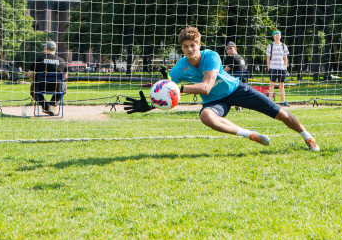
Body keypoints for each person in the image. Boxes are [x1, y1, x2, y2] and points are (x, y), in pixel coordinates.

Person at [123, 27, 319, 151]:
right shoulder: (179, 67)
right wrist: (151, 104)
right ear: (181, 48)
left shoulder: (211, 56)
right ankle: (250, 134)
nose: (189, 49)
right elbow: (168, 94)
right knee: (206, 117)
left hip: (236, 90)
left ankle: (307, 137)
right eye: (185, 46)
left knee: (280, 113)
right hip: (215, 102)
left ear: (199, 45)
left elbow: (206, 87)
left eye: (193, 45)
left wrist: (179, 88)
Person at [29, 41, 67, 116]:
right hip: (56, 87)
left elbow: (30, 74)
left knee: (33, 88)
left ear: (46, 48)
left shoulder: (39, 60)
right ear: (55, 50)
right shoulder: (62, 61)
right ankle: (52, 105)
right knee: (64, 86)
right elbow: (65, 76)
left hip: (41, 86)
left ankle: (45, 106)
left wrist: (35, 81)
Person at [266, 30, 290, 106]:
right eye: (275, 35)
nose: (277, 36)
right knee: (272, 84)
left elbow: (285, 58)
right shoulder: (270, 46)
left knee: (281, 84)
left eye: (278, 35)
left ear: (280, 36)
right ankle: (270, 102)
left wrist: (285, 68)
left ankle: (283, 101)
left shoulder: (283, 46)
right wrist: (269, 68)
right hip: (273, 67)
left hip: (281, 68)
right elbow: (268, 58)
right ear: (273, 36)